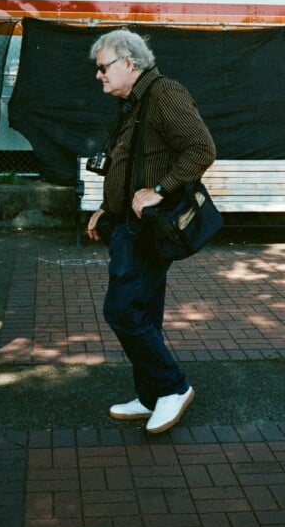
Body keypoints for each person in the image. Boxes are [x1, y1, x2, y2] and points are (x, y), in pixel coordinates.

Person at [87, 28, 216, 434]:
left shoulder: (164, 93)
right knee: (143, 312)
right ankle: (151, 396)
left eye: (104, 67)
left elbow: (201, 148)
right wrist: (106, 206)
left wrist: (159, 191)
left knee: (122, 310)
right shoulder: (134, 102)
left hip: (147, 229)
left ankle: (173, 387)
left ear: (128, 62)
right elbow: (130, 163)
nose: (99, 75)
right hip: (128, 225)